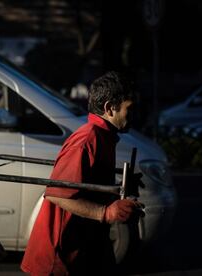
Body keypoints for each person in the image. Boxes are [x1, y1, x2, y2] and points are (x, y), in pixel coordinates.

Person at [21, 71, 143, 276]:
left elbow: (88, 185)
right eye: (129, 109)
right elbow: (56, 193)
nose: (134, 114)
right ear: (109, 108)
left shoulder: (105, 136)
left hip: (85, 246)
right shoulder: (87, 140)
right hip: (61, 255)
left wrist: (119, 189)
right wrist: (105, 212)